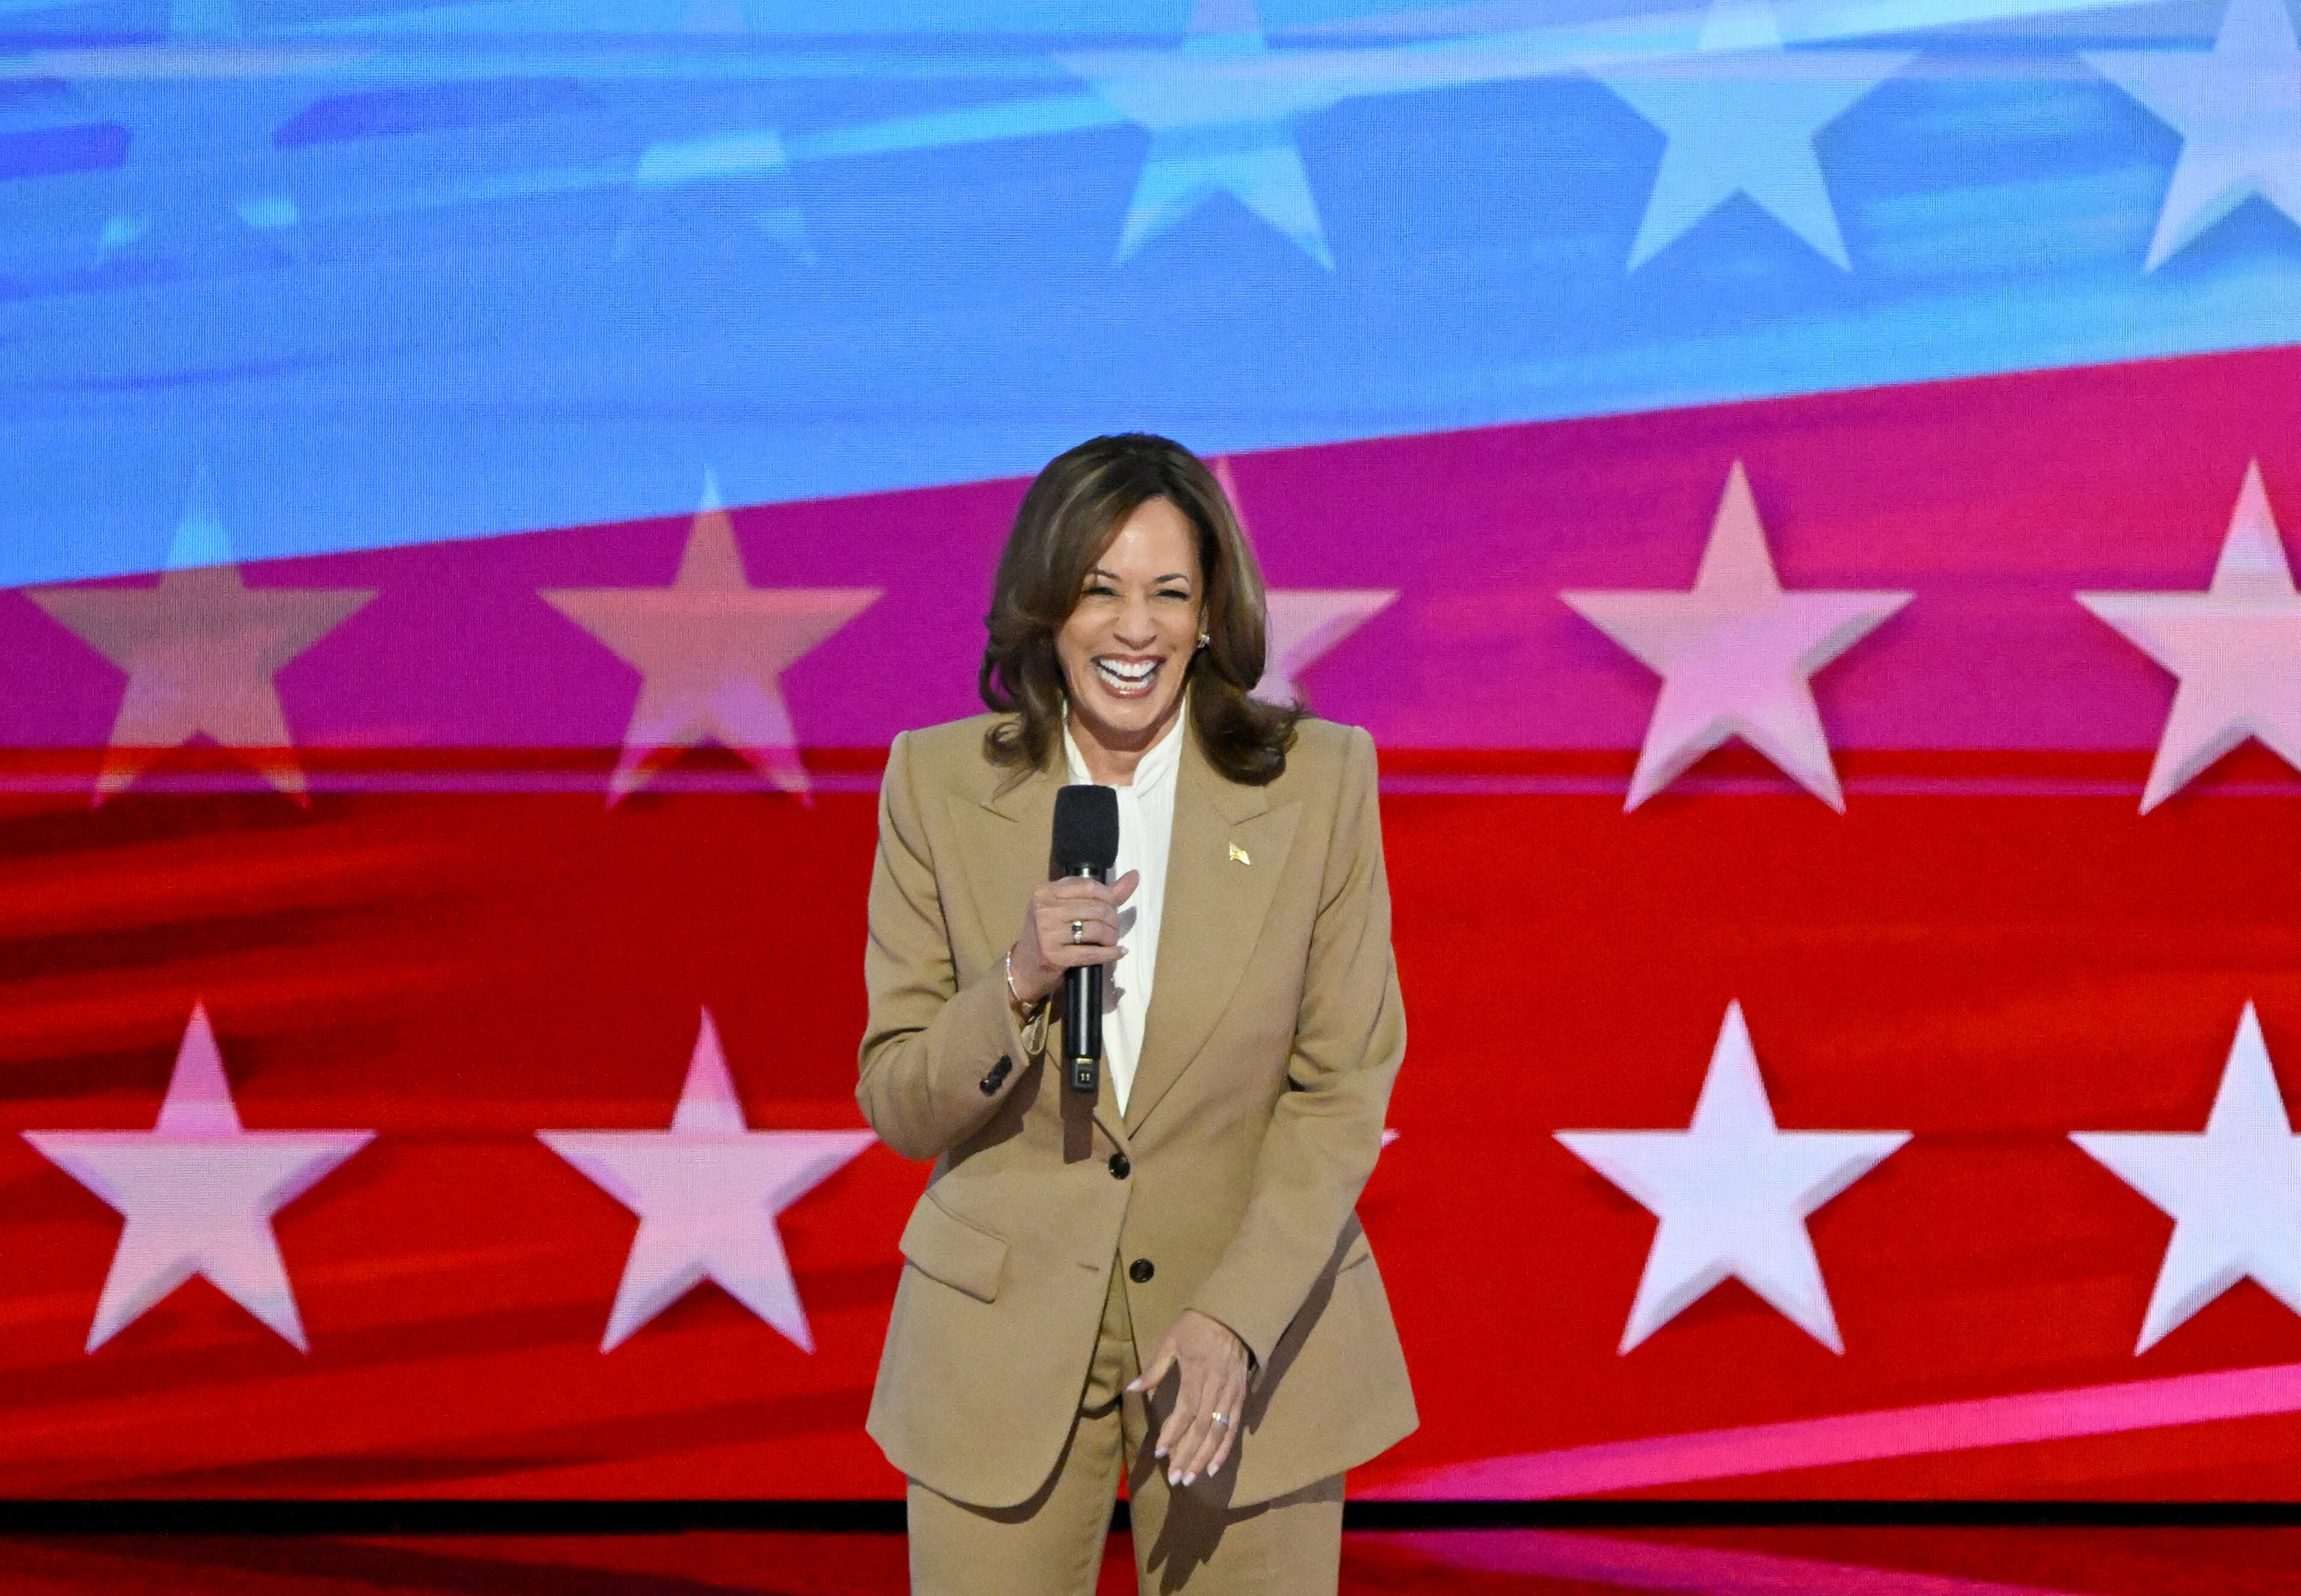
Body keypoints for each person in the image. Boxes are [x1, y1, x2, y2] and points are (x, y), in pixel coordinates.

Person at [858, 433, 1414, 1594]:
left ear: (1213, 613)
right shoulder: (935, 785)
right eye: (1100, 592)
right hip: (997, 1346)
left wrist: (1239, 1319)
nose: (1135, 630)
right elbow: (901, 1099)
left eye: (1170, 593)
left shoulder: (1319, 783)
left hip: (1248, 1342)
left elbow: (1340, 1089)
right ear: (1045, 609)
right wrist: (1013, 982)